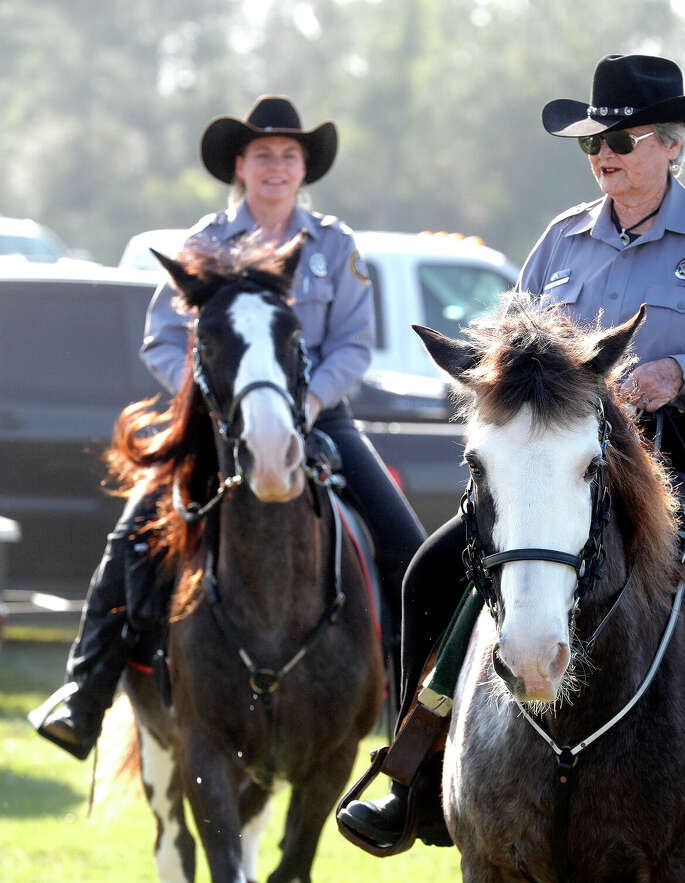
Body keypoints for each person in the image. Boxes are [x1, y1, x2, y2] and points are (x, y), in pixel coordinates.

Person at [339, 54, 685, 883]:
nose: (604, 155)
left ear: (671, 145)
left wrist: (679, 373)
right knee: (424, 575)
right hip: (561, 461)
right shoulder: (560, 240)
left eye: (622, 140)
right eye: (595, 143)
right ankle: (410, 777)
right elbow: (511, 357)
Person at [28, 95, 426, 759]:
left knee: (410, 549)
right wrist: (217, 400)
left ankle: (419, 727)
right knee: (131, 534)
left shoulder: (335, 245)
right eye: (263, 154)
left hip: (320, 417)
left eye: (289, 155)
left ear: (305, 169)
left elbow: (355, 345)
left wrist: (305, 404)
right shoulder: (203, 244)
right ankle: (85, 692)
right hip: (218, 427)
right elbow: (161, 341)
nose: (276, 166)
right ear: (240, 165)